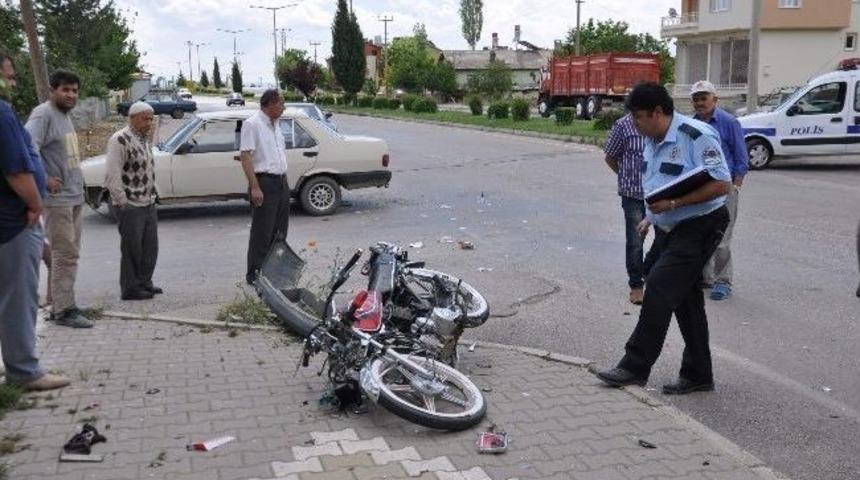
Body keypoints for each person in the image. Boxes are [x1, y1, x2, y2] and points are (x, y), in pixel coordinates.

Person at [597, 83, 731, 395]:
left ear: (658, 112)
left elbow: (722, 184)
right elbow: (660, 183)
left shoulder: (696, 136)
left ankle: (634, 366)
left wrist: (673, 205)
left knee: (657, 284)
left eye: (641, 118)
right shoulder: (651, 139)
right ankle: (698, 373)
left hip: (701, 223)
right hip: (669, 227)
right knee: (686, 301)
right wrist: (650, 217)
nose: (637, 126)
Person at [0, 52, 70, 391]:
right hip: (14, 221)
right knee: (18, 297)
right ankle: (24, 372)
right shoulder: (3, 113)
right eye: (9, 76)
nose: (13, 82)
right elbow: (16, 167)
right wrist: (34, 203)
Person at [25, 69, 92, 328]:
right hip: (58, 199)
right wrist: (43, 178)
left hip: (73, 196)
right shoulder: (44, 113)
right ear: (52, 90)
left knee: (67, 254)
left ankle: (59, 302)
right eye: (65, 90)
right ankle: (64, 310)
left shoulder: (64, 115)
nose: (71, 95)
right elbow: (27, 146)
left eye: (74, 90)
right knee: (65, 254)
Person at [690, 80, 748, 301]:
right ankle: (705, 277)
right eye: (696, 99)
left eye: (704, 98)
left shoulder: (728, 122)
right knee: (702, 234)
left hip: (725, 187)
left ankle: (723, 281)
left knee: (722, 237)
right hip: (700, 188)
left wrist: (736, 185)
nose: (700, 102)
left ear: (715, 99)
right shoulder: (691, 123)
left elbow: (741, 157)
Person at [104, 101, 161, 301]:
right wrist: (122, 202)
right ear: (133, 118)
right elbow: (112, 173)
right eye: (145, 119)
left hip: (148, 202)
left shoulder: (144, 139)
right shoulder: (119, 139)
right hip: (131, 204)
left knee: (150, 247)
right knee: (132, 249)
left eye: (151, 119)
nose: (149, 122)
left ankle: (145, 282)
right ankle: (130, 289)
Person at [239, 89, 289, 285]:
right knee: (262, 232)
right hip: (264, 182)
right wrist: (255, 187)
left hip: (281, 181)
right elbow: (245, 156)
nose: (284, 108)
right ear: (270, 104)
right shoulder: (253, 124)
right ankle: (256, 274)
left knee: (280, 232)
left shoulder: (276, 125)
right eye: (281, 104)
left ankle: (273, 272)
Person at [604, 112, 647, 305]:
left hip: (660, 192)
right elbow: (610, 156)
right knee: (636, 242)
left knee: (666, 238)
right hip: (633, 195)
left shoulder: (662, 122)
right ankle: (636, 286)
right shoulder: (623, 125)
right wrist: (625, 177)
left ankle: (655, 277)